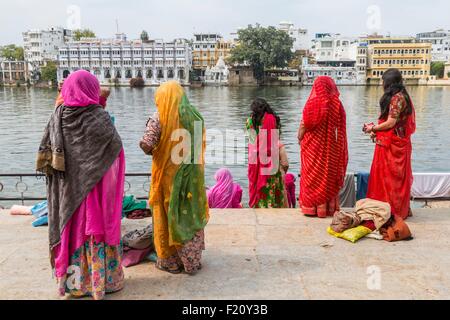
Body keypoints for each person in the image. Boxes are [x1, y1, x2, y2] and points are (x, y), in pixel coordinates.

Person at [37, 70, 125, 300]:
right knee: (95, 233)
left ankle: (76, 285)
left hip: (68, 194)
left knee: (73, 232)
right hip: (95, 193)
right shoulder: (99, 118)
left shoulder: (58, 117)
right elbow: (115, 152)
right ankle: (104, 281)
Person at [139, 81, 209, 274]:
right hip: (191, 178)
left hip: (168, 179)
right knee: (188, 215)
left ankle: (170, 262)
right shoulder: (195, 115)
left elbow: (146, 143)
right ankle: (191, 261)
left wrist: (157, 150)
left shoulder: (159, 117)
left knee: (168, 215)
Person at [363, 68, 416, 220]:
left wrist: (372, 128)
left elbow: (391, 122)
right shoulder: (400, 96)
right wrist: (377, 131)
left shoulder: (397, 98)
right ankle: (395, 209)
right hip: (394, 142)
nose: (381, 84)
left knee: (390, 179)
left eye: (383, 81)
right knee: (394, 179)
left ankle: (392, 211)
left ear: (388, 83)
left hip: (393, 146)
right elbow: (394, 123)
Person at [298, 76, 348, 218]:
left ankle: (312, 209)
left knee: (312, 176)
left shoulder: (313, 102)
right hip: (331, 146)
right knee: (327, 175)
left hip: (313, 146)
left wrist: (299, 136)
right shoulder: (336, 104)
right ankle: (327, 209)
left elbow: (304, 124)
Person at [246, 98, 288, 208]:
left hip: (257, 159)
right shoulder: (274, 119)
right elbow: (276, 139)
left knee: (258, 185)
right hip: (272, 159)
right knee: (272, 185)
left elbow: (252, 141)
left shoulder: (250, 121)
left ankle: (260, 207)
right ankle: (273, 206)